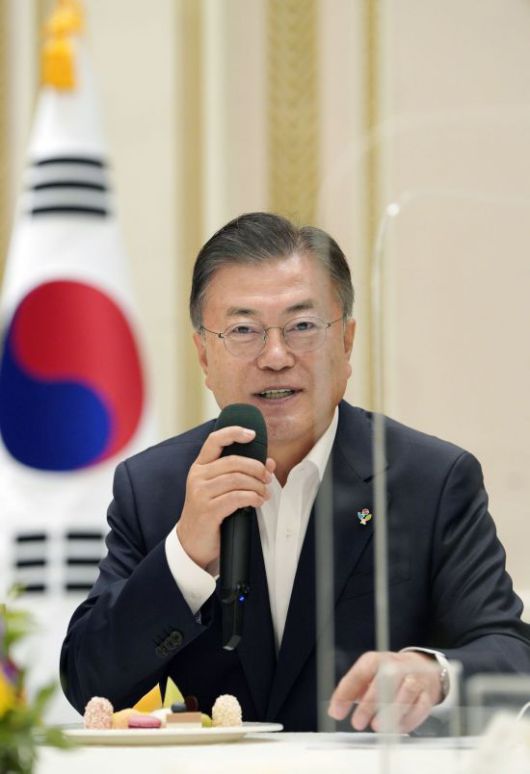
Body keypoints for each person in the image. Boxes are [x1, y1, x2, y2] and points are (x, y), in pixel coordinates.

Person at [60, 212, 530, 733]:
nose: (276, 356)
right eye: (243, 330)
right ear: (204, 355)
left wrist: (431, 673)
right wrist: (186, 556)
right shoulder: (154, 487)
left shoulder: (431, 480)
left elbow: (511, 655)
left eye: (303, 326)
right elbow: (89, 684)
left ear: (347, 342)